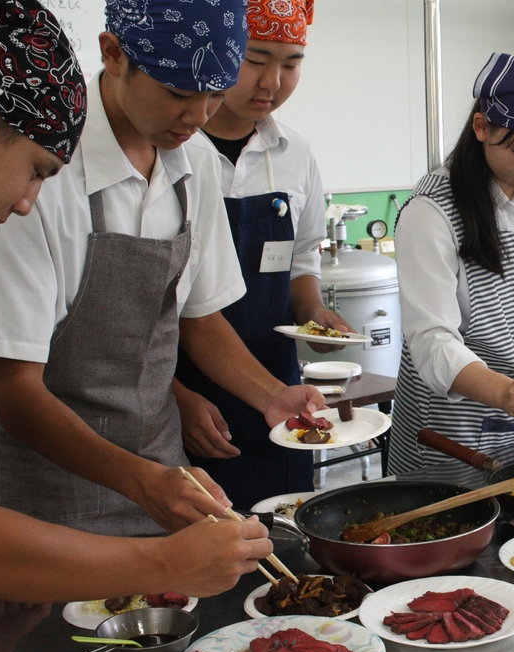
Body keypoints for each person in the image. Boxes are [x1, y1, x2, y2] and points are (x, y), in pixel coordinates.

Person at [0, 0, 324, 539]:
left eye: (215, 94)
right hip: (41, 493)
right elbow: (15, 392)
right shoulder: (35, 164)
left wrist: (273, 396)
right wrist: (144, 481)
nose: (198, 116)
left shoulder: (192, 161)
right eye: (178, 93)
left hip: (161, 474)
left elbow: (198, 316)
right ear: (113, 53)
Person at [174, 0, 349, 509]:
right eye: (255, 58)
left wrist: (313, 313)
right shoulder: (175, 147)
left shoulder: (295, 153)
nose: (272, 81)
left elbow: (299, 263)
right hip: (185, 384)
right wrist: (173, 399)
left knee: (284, 532)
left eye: (291, 63)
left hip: (276, 380)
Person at [388, 53, 514, 488]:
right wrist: (503, 391)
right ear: (482, 128)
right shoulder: (431, 212)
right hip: (450, 436)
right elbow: (432, 341)